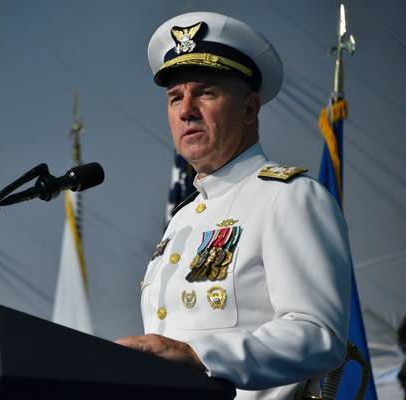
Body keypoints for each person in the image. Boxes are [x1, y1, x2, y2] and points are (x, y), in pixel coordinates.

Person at [116, 11, 352, 399]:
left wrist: (198, 354)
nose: (185, 109)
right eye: (175, 97)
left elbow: (317, 333)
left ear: (249, 108)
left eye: (205, 92)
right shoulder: (183, 220)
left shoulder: (289, 196)